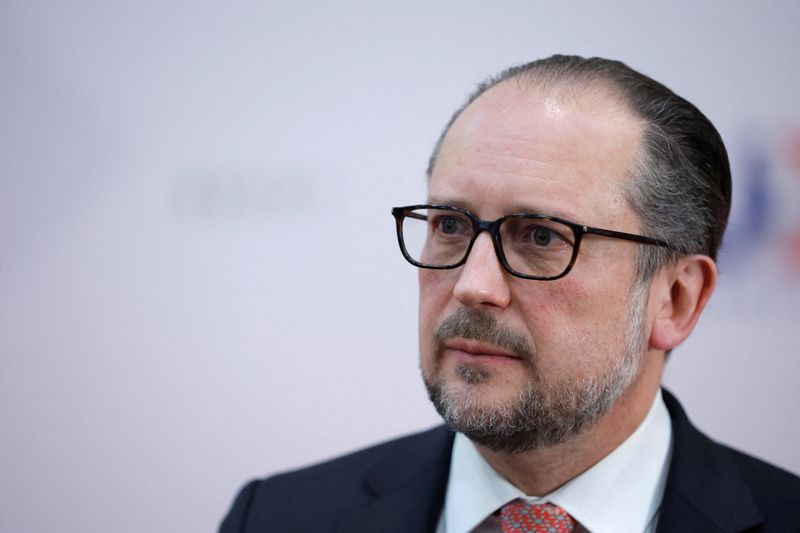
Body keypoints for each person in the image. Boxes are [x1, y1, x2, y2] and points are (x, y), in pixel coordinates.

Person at [220, 55, 800, 532]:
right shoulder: (277, 517)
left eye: (542, 237)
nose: (473, 287)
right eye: (451, 225)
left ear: (675, 299)